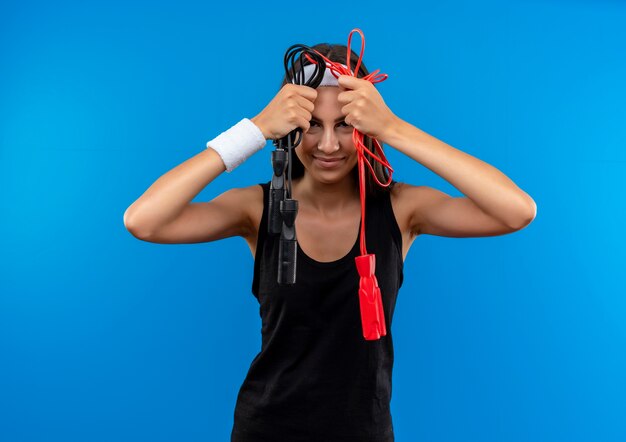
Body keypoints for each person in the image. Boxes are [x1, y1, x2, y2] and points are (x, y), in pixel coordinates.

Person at [123, 43, 537, 442]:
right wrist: (254, 130)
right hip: (264, 430)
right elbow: (143, 220)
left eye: (344, 125)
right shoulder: (256, 209)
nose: (326, 145)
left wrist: (392, 128)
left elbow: (516, 211)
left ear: (364, 128)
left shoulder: (403, 208)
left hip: (365, 432)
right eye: (311, 126)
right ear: (290, 130)